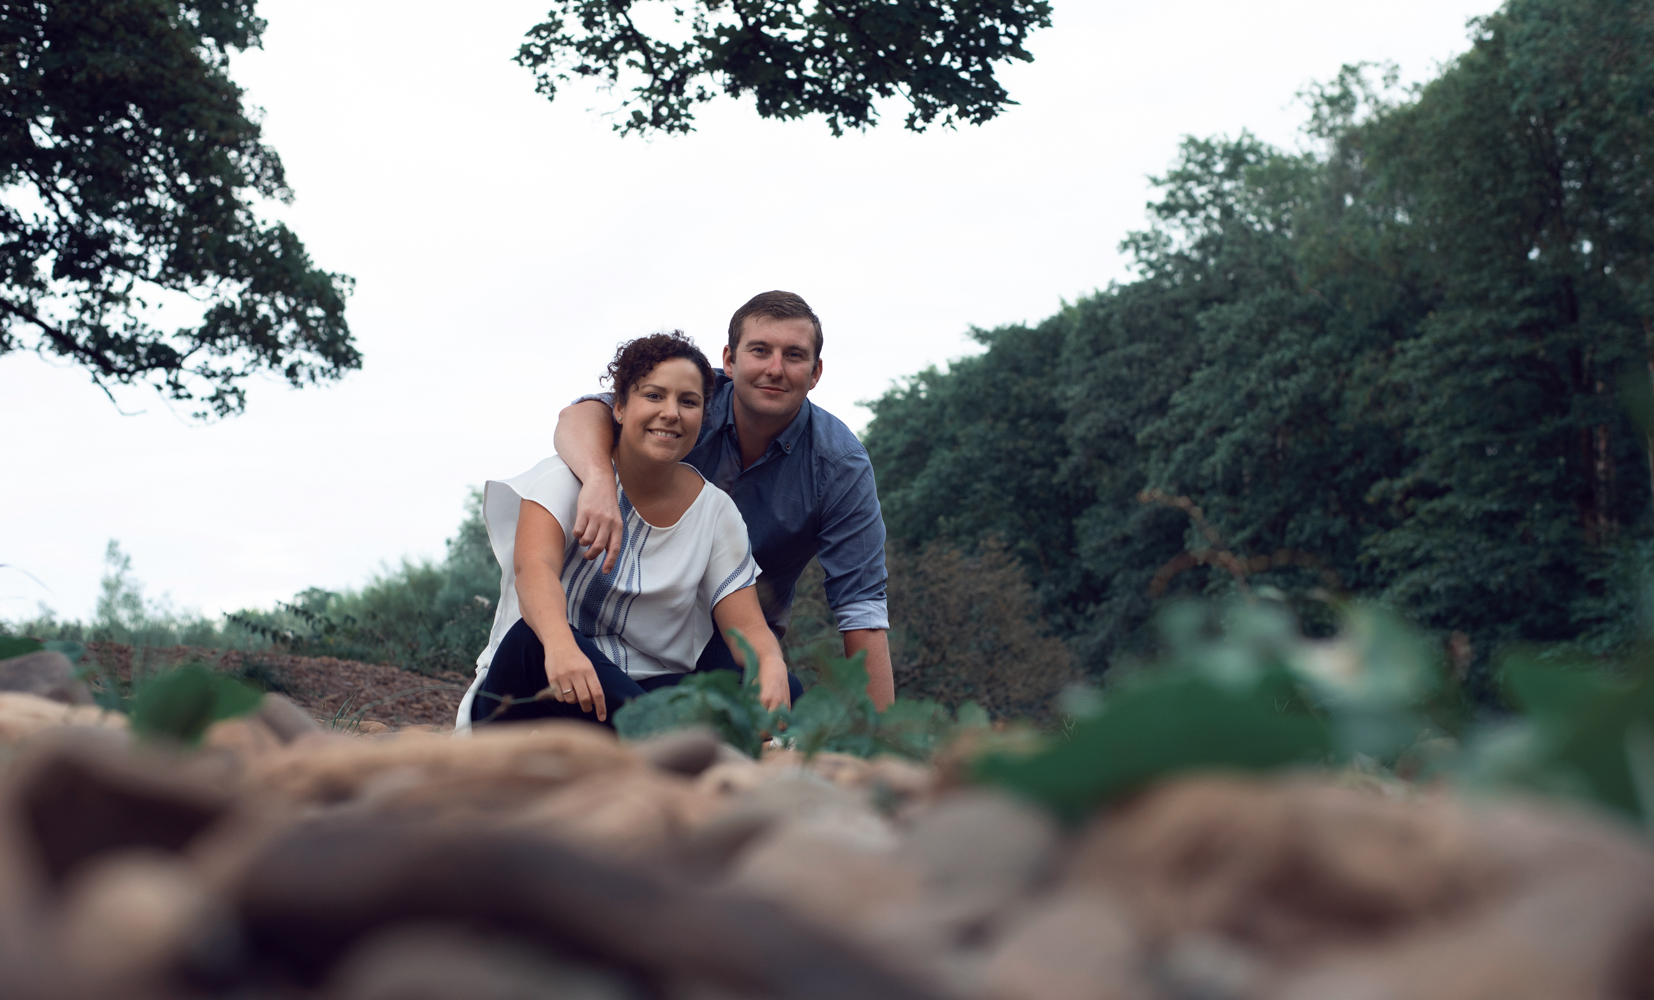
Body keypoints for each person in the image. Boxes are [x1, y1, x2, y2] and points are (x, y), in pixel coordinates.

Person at [554, 291, 895, 709]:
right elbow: (581, 415)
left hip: (731, 639)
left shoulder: (839, 465)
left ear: (815, 371)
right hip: (622, 615)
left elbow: (861, 608)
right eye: (760, 350)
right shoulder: (687, 403)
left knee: (784, 704)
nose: (775, 368)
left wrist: (880, 743)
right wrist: (598, 479)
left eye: (794, 355)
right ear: (730, 361)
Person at [455, 332, 799, 733]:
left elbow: (749, 627)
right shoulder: (559, 481)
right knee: (529, 641)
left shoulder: (715, 511)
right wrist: (561, 646)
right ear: (618, 407)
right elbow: (533, 571)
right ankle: (679, 746)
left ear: (703, 417)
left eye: (688, 402)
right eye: (654, 396)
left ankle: (664, 741)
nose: (670, 413)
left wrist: (771, 663)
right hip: (540, 685)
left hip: (643, 692)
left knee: (779, 683)